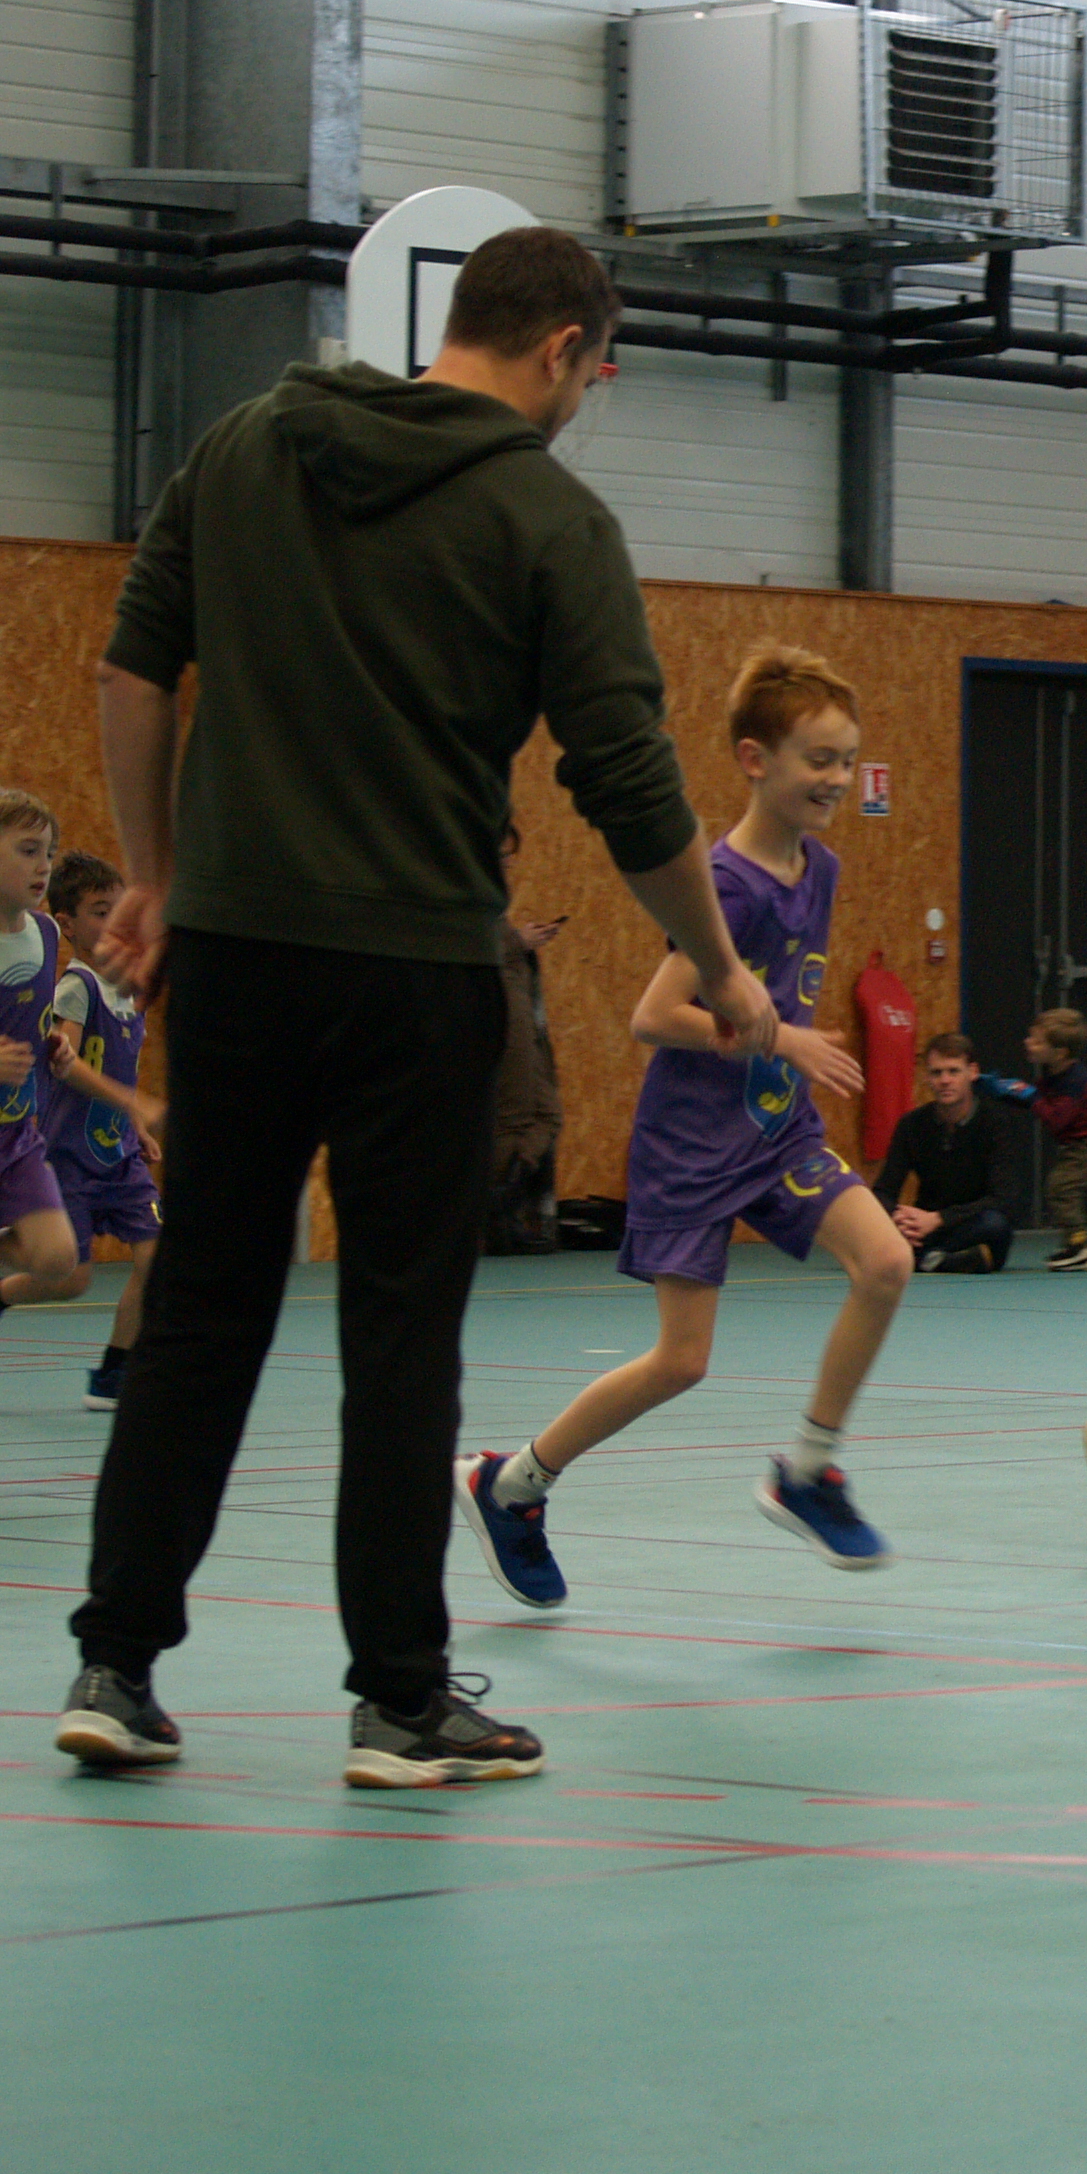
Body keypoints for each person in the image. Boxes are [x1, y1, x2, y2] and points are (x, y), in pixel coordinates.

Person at [53, 225, 777, 1788]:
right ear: (566, 348)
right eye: (599, 371)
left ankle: (115, 1665)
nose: (589, 397)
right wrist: (719, 965)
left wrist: (158, 875)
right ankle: (395, 1701)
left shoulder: (246, 445)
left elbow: (131, 671)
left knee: (201, 1307)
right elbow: (625, 776)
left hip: (235, 953)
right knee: (398, 1334)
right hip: (418, 974)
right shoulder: (548, 514)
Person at [458, 643, 911, 1608]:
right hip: (692, 1148)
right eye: (817, 759)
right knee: (681, 1361)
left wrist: (784, 1052)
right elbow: (654, 1017)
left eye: (846, 759)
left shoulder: (821, 869)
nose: (837, 778)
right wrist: (784, 1038)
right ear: (754, 759)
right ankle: (512, 1484)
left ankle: (808, 1471)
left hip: (776, 1135)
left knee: (885, 1262)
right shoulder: (726, 884)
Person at [33, 851, 166, 1406]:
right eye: (99, 911)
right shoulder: (78, 985)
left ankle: (113, 1373)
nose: (112, 922)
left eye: (118, 909)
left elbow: (119, 1067)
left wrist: (133, 1126)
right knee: (72, 1278)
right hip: (68, 1159)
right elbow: (66, 1062)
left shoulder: (126, 989)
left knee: (157, 1260)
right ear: (67, 924)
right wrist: (133, 1101)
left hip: (119, 1156)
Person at [0, 797, 89, 1334]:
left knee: (58, 1260)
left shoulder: (45, 934)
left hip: (15, 1133)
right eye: (28, 851)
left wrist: (55, 1043)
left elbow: (31, 1016)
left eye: (49, 854)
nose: (43, 866)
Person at [982, 1006, 1087, 1271]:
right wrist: (1004, 1091)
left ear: (1060, 1052)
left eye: (1036, 1041)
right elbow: (1037, 1100)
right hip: (1077, 1142)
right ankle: (1073, 1243)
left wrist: (1030, 1095)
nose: (1027, 1042)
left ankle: (1079, 1246)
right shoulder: (1052, 1072)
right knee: (1060, 1186)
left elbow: (1056, 1118)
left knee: (1062, 1186)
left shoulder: (1074, 1081)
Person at [877, 1031, 1018, 1273]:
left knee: (995, 1225)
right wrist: (898, 1218)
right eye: (936, 1073)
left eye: (953, 1071)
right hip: (923, 1228)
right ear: (927, 1077)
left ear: (972, 1072)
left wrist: (939, 1219)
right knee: (876, 1228)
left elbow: (1003, 1198)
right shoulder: (911, 1125)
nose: (945, 1080)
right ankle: (943, 1260)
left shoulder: (996, 1122)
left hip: (971, 1224)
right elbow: (884, 1190)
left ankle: (924, 1259)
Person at [489, 823, 565, 1255]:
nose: (508, 867)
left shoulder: (493, 907)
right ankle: (494, 1218)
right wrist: (518, 942)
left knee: (546, 1113)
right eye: (502, 858)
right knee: (515, 1118)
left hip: (519, 1011)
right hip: (500, 1016)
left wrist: (521, 942)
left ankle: (510, 1211)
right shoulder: (468, 901)